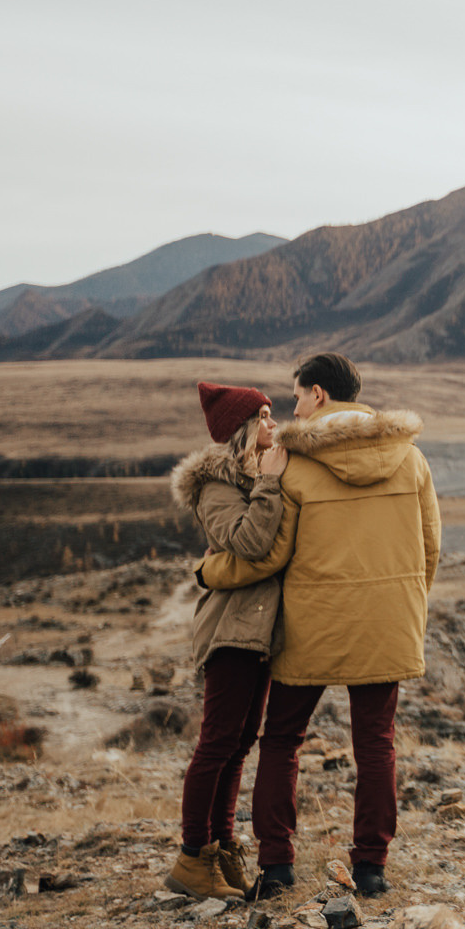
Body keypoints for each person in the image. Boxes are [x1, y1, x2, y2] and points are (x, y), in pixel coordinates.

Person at [198, 352, 439, 899]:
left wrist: (209, 568)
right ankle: (371, 869)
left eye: (298, 397)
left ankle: (277, 867)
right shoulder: (412, 459)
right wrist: (405, 603)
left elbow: (269, 557)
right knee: (376, 745)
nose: (293, 410)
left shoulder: (295, 465)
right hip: (387, 622)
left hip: (310, 626)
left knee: (282, 740)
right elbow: (430, 547)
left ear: (319, 395)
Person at [165, 381, 289, 901]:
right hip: (231, 630)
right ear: (242, 430)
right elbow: (250, 541)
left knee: (238, 745)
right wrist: (270, 483)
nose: (273, 424)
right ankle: (193, 858)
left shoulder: (251, 476)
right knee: (217, 743)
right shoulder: (217, 486)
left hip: (257, 629)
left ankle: (222, 846)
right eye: (262, 417)